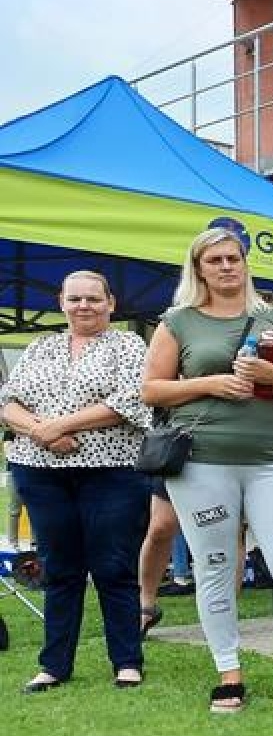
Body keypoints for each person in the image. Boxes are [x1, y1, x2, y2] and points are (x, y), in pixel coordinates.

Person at [142, 228, 273, 712]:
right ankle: (228, 671)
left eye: (233, 258)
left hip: (272, 459)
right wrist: (213, 383)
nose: (226, 267)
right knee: (215, 565)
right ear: (199, 269)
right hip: (201, 461)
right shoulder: (178, 321)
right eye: (214, 260)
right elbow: (151, 390)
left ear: (245, 263)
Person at [1, 271, 150, 692]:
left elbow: (128, 401)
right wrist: (39, 432)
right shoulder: (40, 345)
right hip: (40, 472)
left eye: (93, 299)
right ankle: (54, 666)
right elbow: (7, 401)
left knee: (113, 566)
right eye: (75, 298)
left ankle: (126, 661)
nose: (84, 306)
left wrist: (60, 425)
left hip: (112, 472)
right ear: (61, 302)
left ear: (111, 303)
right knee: (60, 569)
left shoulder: (128, 344)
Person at [136, 485, 193, 637]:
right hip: (175, 466)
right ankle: (146, 607)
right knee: (160, 527)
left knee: (227, 530)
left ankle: (223, 610)